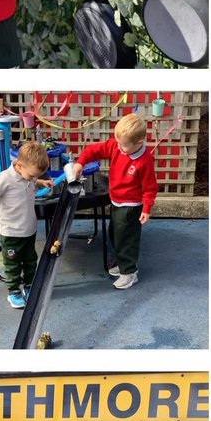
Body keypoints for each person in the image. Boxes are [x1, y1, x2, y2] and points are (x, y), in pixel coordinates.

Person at [71, 113, 158, 290]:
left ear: (139, 144)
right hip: (117, 201)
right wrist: (80, 163)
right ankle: (123, 264)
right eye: (117, 142)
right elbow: (94, 150)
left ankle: (130, 272)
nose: (119, 147)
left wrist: (147, 208)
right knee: (115, 234)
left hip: (131, 205)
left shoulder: (144, 160)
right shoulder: (116, 146)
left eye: (124, 145)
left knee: (126, 239)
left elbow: (150, 187)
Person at [0, 141, 53, 309]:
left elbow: (32, 180)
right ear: (19, 166)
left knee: (30, 261)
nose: (33, 179)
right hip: (11, 232)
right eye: (32, 176)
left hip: (29, 229)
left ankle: (29, 286)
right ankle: (14, 292)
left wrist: (41, 182)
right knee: (13, 263)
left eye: (36, 176)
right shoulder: (6, 177)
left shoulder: (28, 175)